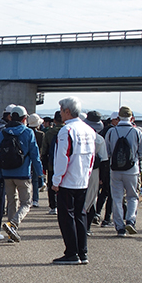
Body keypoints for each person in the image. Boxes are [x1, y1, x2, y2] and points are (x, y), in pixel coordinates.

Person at [51, 97, 96, 264]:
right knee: (80, 215)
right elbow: (92, 157)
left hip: (68, 180)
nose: (61, 114)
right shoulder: (89, 130)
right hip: (83, 178)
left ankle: (71, 252)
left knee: (66, 217)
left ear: (67, 111)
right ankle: (82, 252)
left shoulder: (66, 130)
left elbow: (63, 157)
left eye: (62, 111)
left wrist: (56, 181)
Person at [0, 105, 43, 243]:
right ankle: (13, 224)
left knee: (11, 202)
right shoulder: (28, 132)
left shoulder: (3, 133)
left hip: (6, 173)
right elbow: (35, 156)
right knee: (26, 203)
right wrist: (40, 176)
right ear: (24, 118)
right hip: (23, 173)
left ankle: (11, 233)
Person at [105, 106, 142, 237]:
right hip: (132, 169)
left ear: (118, 117)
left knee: (117, 198)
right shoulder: (136, 132)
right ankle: (130, 220)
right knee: (132, 197)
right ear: (131, 117)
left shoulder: (112, 132)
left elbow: (107, 152)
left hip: (115, 170)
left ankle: (119, 227)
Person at [82, 111, 109, 236]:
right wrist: (103, 179)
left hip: (79, 169)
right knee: (91, 199)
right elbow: (104, 161)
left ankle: (79, 225)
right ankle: (86, 227)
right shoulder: (99, 140)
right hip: (94, 171)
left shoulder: (80, 136)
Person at [41, 111, 64, 215]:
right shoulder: (67, 131)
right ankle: (62, 205)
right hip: (65, 164)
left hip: (52, 163)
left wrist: (44, 164)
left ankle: (53, 206)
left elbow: (44, 150)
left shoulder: (49, 133)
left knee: (51, 184)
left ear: (54, 120)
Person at [27, 113, 45, 207]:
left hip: (25, 159)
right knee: (35, 180)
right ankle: (35, 200)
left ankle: (27, 199)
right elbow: (42, 148)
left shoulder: (26, 132)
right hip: (36, 158)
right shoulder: (41, 134)